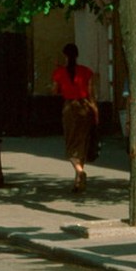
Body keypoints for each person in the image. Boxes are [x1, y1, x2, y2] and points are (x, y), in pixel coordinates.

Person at [51, 43, 97, 194]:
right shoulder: (86, 71)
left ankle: (79, 172)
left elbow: (55, 91)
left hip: (70, 108)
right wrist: (95, 109)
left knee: (70, 144)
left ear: (65, 56)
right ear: (77, 55)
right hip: (85, 107)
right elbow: (90, 93)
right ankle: (78, 182)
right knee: (82, 143)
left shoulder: (59, 72)